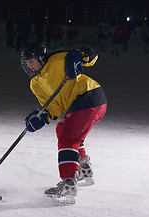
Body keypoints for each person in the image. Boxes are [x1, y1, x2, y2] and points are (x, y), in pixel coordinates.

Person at [20, 43, 107, 204]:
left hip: (90, 97)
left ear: (41, 58)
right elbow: (53, 106)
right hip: (77, 105)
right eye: (27, 62)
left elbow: (91, 57)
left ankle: (69, 184)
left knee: (68, 138)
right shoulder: (35, 83)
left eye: (32, 61)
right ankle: (83, 169)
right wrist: (41, 117)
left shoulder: (58, 60)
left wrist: (79, 55)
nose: (29, 65)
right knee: (63, 130)